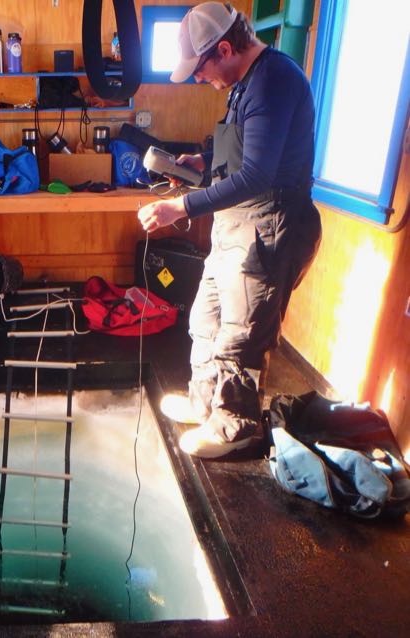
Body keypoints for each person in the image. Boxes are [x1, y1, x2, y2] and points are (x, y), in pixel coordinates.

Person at [137, 3, 321, 458]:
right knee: (206, 320)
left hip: (266, 227)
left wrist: (179, 207)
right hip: (234, 226)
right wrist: (202, 162)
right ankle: (206, 404)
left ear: (224, 48)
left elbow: (258, 176)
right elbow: (244, 153)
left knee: (241, 334)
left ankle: (236, 427)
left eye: (201, 69)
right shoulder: (243, 85)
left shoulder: (275, 80)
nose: (200, 78)